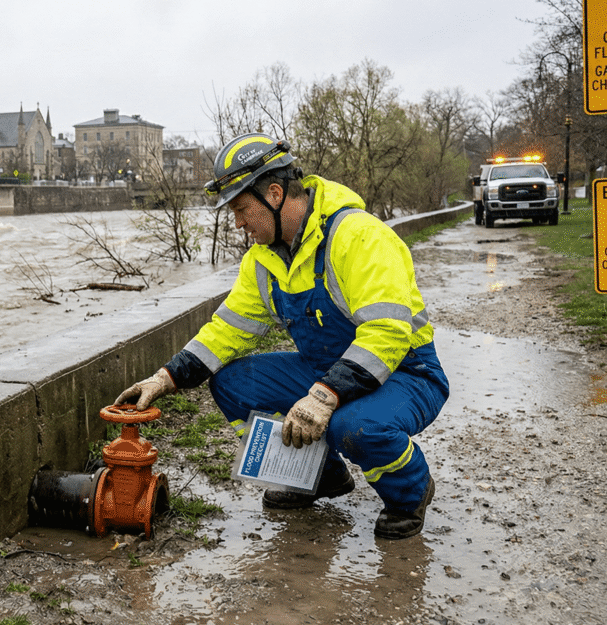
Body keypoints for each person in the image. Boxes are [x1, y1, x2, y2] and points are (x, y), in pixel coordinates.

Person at [115, 133, 449, 539]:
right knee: (233, 384)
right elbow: (226, 331)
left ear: (275, 194)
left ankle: (410, 493)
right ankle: (320, 478)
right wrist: (165, 378)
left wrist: (324, 396)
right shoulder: (263, 259)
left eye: (241, 209)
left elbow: (388, 332)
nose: (238, 223)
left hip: (407, 373)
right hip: (326, 370)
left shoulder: (358, 236)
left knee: (352, 425)